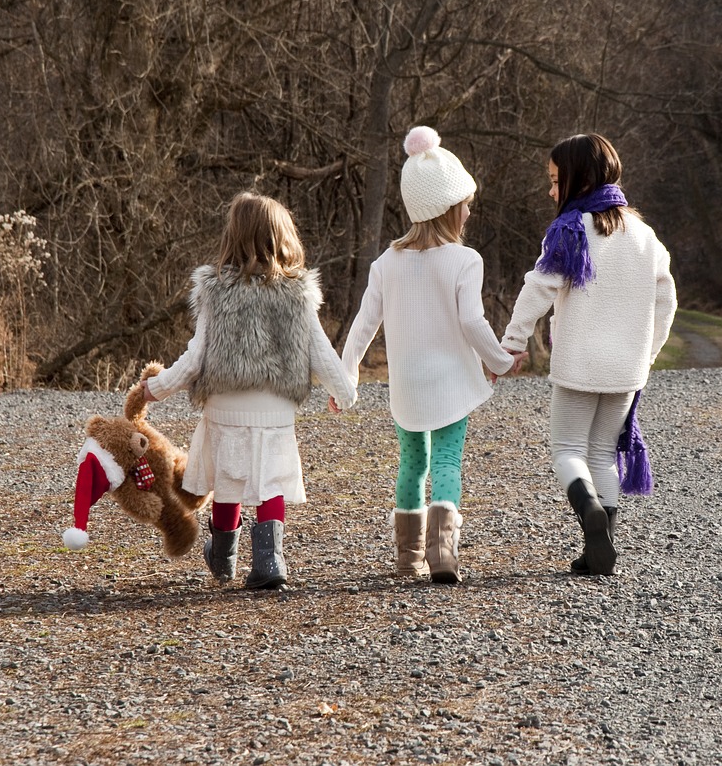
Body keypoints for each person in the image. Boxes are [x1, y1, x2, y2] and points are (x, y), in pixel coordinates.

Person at [142, 192, 356, 590]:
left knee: (229, 481)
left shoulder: (216, 291)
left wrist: (155, 388)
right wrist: (344, 393)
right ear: (283, 237)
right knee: (269, 483)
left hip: (224, 408)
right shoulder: (297, 295)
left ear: (233, 236)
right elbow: (322, 354)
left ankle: (223, 557)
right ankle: (270, 563)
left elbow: (194, 359)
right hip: (274, 411)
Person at [339, 126, 515, 584]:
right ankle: (442, 553)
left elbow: (363, 325)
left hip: (408, 388)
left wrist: (347, 376)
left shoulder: (386, 263)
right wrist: (499, 361)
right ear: (448, 208)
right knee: (447, 462)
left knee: (412, 464)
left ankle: (407, 557)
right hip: (451, 384)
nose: (469, 210)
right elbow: (473, 323)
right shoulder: (464, 260)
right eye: (465, 203)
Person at [500, 133, 676, 577]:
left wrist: (514, 342)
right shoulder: (645, 235)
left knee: (567, 450)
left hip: (578, 365)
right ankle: (602, 548)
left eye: (556, 180)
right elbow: (666, 300)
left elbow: (538, 288)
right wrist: (648, 353)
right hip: (626, 369)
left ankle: (590, 512)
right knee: (602, 452)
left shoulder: (571, 229)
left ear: (579, 180)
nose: (550, 191)